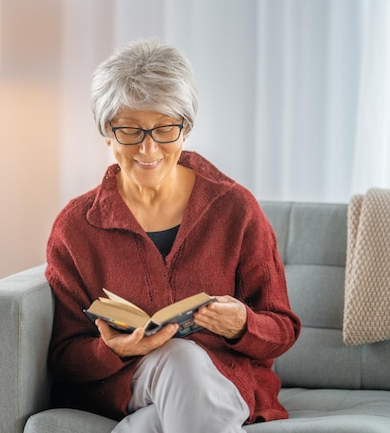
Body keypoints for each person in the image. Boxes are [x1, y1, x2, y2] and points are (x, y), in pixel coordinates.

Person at [45, 37, 301, 433]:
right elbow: (63, 357)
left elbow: (282, 330)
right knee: (179, 360)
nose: (148, 148)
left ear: (186, 129)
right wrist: (112, 348)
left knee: (171, 397)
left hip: (224, 381)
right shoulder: (76, 226)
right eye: (129, 130)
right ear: (107, 132)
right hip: (131, 382)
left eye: (165, 129)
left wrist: (241, 325)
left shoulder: (235, 208)